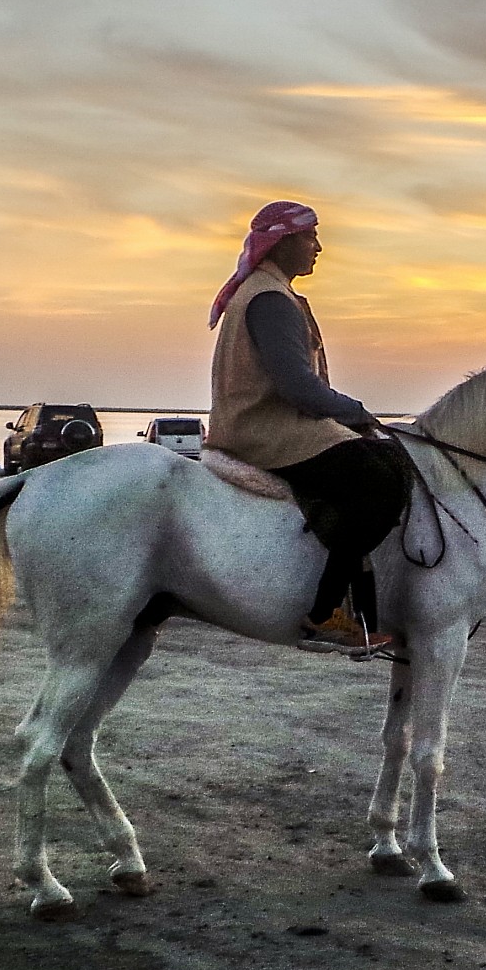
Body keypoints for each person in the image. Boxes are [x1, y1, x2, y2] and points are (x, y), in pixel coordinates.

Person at [206, 199, 406, 657]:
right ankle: (323, 614)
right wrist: (358, 413)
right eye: (309, 236)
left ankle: (364, 616)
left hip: (269, 426)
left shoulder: (265, 291)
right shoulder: (270, 300)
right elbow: (298, 387)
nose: (318, 246)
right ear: (281, 242)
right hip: (266, 431)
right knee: (379, 478)